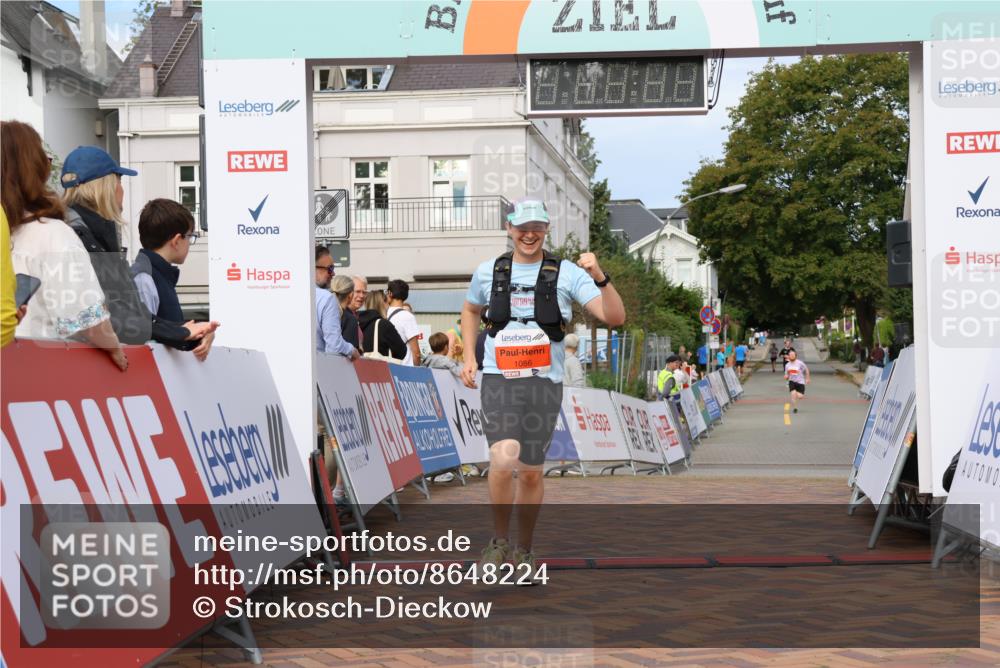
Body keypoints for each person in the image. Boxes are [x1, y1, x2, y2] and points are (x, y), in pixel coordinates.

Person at [460, 199, 625, 573]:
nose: (529, 234)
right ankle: (499, 542)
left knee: (531, 471)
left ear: (546, 229)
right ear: (509, 228)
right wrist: (469, 356)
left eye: (537, 227)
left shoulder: (567, 273)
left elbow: (615, 316)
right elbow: (470, 310)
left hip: (544, 383)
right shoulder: (489, 271)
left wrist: (599, 274)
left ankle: (524, 549)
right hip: (499, 379)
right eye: (522, 227)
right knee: (502, 458)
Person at [2, 121, 128, 371]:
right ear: (35, 169)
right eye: (45, 159)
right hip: (41, 374)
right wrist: (114, 346)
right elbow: (85, 318)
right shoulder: (52, 234)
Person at [129, 198, 219, 359]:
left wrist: (201, 335)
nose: (191, 243)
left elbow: (168, 332)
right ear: (177, 240)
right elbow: (143, 339)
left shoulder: (156, 275)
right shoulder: (144, 277)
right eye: (190, 236)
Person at [315, 247, 358, 358]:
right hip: (317, 368)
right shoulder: (326, 298)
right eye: (330, 268)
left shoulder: (288, 294)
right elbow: (334, 345)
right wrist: (352, 351)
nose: (333, 273)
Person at [359, 289, 407, 361]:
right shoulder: (384, 325)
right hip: (381, 369)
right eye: (388, 303)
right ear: (383, 303)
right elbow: (402, 352)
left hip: (361, 369)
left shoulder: (358, 323)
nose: (388, 306)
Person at [386, 279, 421, 366]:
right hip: (405, 368)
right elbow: (416, 352)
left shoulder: (383, 314)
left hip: (388, 366)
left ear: (390, 293)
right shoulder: (408, 317)